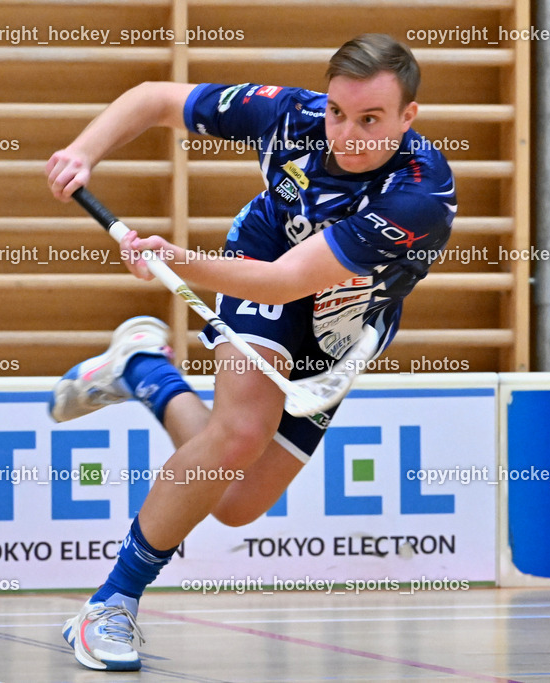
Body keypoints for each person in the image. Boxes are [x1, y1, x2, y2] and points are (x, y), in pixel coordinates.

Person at [45, 33, 456, 671]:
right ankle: (109, 605)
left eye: (371, 119)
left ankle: (145, 372)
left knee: (234, 502)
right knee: (239, 432)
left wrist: (179, 262)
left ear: (409, 118)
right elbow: (157, 99)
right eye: (339, 113)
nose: (347, 135)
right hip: (260, 259)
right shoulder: (291, 117)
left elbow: (296, 280)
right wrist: (82, 151)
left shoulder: (419, 195)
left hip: (339, 321)